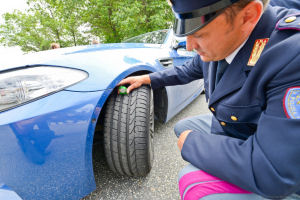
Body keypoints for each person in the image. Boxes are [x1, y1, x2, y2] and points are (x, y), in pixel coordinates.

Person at [118, 0, 300, 199]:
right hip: (245, 128)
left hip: (285, 173)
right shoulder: (227, 37)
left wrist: (192, 144)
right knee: (183, 127)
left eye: (199, 34)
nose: (189, 46)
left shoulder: (291, 54)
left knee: (191, 180)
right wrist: (149, 79)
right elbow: (189, 70)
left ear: (248, 16)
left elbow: (274, 172)